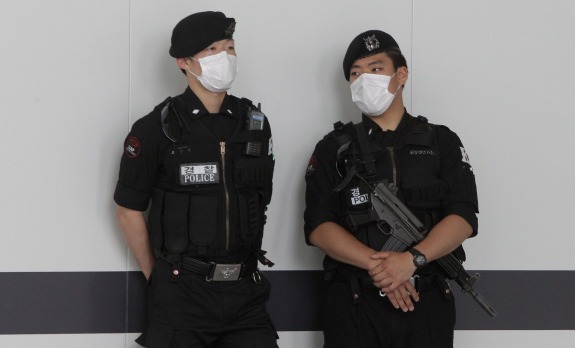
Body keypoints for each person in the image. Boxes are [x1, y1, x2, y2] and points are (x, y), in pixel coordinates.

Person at [304, 30, 479, 348]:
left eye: (375, 68)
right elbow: (319, 227)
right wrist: (381, 267)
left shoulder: (442, 141)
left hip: (426, 298)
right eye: (355, 73)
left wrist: (411, 261)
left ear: (401, 74)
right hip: (354, 300)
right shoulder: (334, 148)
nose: (363, 79)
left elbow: (463, 217)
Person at [114, 11, 278, 348]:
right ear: (184, 62)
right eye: (213, 50)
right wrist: (156, 278)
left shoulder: (255, 124)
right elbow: (128, 209)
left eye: (230, 48)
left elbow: (260, 199)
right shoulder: (156, 129)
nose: (226, 57)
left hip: (246, 295)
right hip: (182, 295)